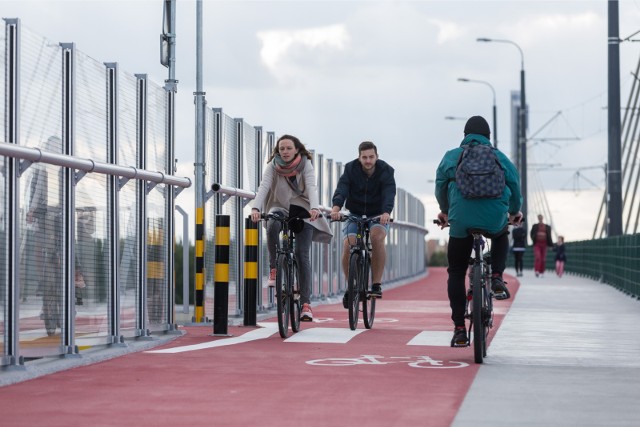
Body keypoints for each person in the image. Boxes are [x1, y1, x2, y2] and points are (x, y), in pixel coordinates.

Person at [435, 116, 522, 347]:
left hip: (461, 219)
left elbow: (440, 186)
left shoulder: (452, 156)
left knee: (455, 271)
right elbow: (514, 185)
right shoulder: (499, 157)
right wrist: (514, 212)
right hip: (494, 217)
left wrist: (445, 211)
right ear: (488, 137)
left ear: (464, 136)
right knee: (502, 233)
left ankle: (459, 329)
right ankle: (496, 277)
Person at [250, 134, 332, 322]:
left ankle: (305, 304)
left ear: (297, 149)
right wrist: (256, 207)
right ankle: (274, 268)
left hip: (303, 209)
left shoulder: (306, 165)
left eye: (288, 148)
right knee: (271, 226)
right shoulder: (273, 166)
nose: (285, 152)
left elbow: (312, 187)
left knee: (302, 254)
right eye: (282, 149)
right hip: (279, 206)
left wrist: (314, 207)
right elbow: (263, 186)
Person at [330, 141, 396, 307]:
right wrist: (336, 209)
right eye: (364, 157)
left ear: (377, 156)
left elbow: (389, 193)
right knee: (348, 244)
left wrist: (386, 212)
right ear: (359, 158)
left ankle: (376, 284)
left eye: (371, 157)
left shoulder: (386, 170)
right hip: (355, 213)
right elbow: (342, 189)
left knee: (377, 237)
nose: (368, 161)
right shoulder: (350, 169)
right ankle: (351, 285)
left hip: (377, 214)